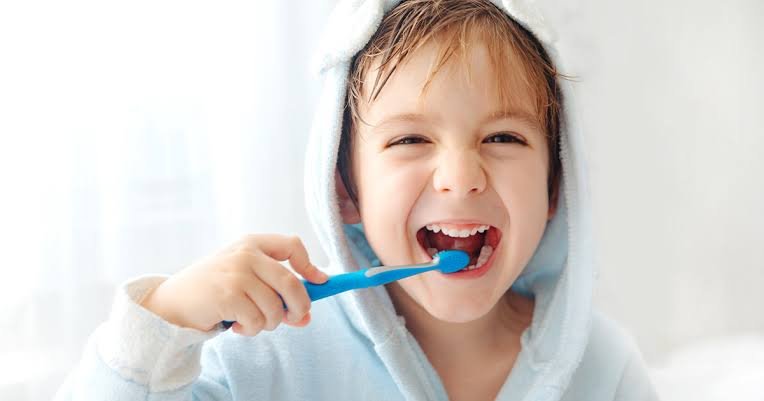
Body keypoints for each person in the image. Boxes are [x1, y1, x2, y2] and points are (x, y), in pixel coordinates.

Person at [54, 0, 660, 400]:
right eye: (410, 138)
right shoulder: (268, 362)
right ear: (344, 190)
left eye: (503, 137)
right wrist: (165, 321)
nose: (460, 177)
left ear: (555, 187)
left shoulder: (604, 370)